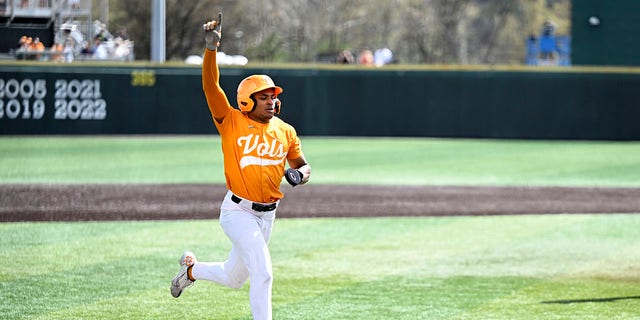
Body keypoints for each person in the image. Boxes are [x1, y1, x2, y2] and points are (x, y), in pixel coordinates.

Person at [170, 13, 311, 320]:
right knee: (264, 273)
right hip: (237, 211)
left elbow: (303, 165)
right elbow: (211, 87)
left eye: (273, 97)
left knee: (236, 278)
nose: (272, 102)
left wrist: (300, 175)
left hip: (267, 215)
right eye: (264, 97)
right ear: (247, 101)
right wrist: (211, 49)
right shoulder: (231, 121)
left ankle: (191, 271)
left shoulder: (285, 130)